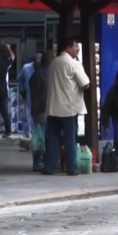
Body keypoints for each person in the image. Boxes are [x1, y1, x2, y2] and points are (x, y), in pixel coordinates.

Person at [43, 37, 90, 176]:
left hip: (53, 107)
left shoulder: (53, 63)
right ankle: (71, 167)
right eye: (76, 46)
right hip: (69, 108)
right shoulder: (74, 64)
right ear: (68, 47)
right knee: (70, 139)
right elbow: (85, 84)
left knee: (52, 139)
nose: (78, 49)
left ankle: (49, 167)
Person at [28, 52, 51, 172]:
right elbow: (36, 96)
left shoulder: (42, 74)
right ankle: (38, 162)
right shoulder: (41, 75)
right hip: (42, 110)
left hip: (44, 109)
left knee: (43, 137)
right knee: (41, 137)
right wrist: (35, 111)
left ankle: (41, 161)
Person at [18, 53, 41, 139]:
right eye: (36, 62)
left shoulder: (44, 67)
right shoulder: (26, 68)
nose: (38, 64)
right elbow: (19, 79)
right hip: (29, 98)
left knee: (39, 121)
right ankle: (29, 139)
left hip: (41, 99)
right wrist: (22, 90)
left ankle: (38, 139)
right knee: (28, 119)